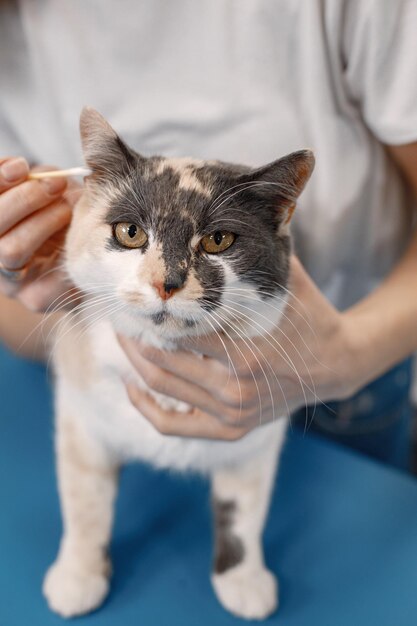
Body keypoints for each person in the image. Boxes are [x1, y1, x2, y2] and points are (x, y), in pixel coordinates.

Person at [1, 1, 416, 468]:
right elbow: (20, 324)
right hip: (121, 369)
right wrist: (56, 279)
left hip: (355, 356)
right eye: (132, 230)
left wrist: (349, 357)